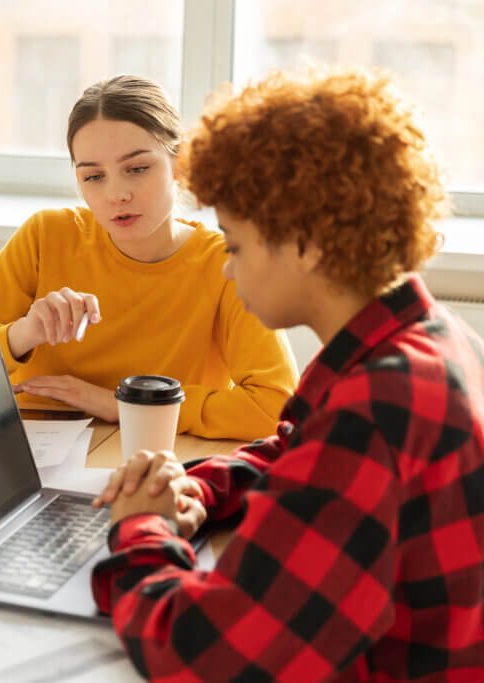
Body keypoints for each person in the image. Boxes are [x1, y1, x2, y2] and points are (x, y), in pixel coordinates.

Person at [91, 66, 484, 680]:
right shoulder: (430, 342)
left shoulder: (374, 412)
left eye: (234, 245)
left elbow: (204, 653)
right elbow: (300, 450)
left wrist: (140, 528)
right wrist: (199, 487)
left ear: (302, 241)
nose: (226, 269)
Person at [0, 75, 298, 440]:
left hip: (148, 465)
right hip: (32, 459)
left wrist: (124, 405)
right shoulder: (45, 237)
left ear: (180, 163)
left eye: (137, 169)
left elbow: (276, 410)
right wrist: (22, 334)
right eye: (93, 177)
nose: (116, 194)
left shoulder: (224, 265)